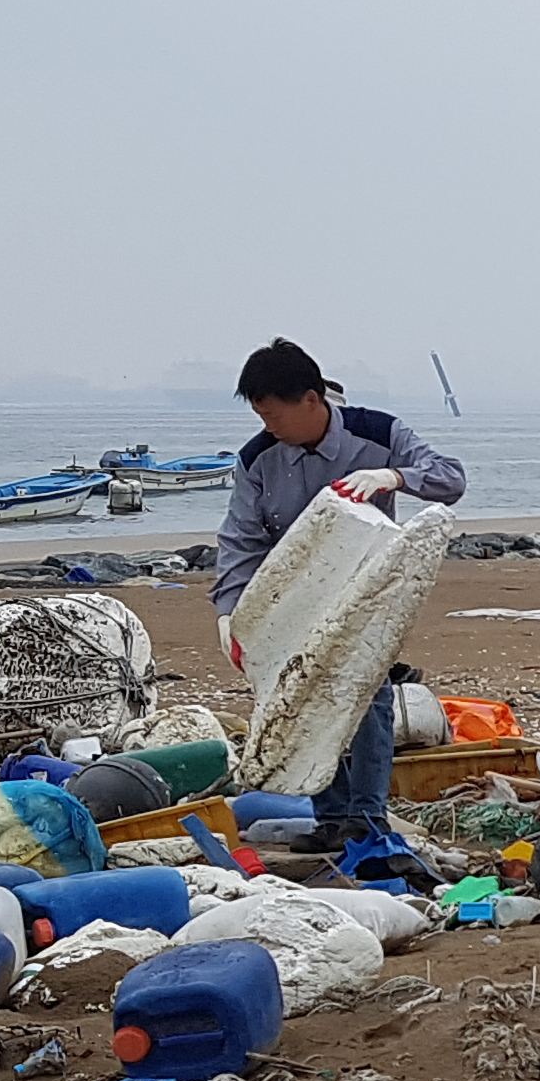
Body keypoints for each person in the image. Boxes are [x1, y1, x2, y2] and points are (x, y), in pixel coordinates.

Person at [210, 336, 465, 867]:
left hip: (367, 592)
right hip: (293, 600)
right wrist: (230, 612)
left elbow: (451, 479)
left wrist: (394, 476)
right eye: (260, 416)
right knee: (298, 696)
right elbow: (241, 539)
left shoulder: (378, 432)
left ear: (311, 399)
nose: (268, 426)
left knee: (366, 697)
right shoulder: (258, 458)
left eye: (274, 414)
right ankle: (329, 817)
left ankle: (366, 817)